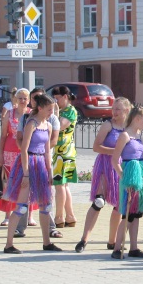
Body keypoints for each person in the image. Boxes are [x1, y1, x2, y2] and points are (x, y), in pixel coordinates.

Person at [3, 94, 61, 254]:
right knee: (21, 207)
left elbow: (47, 151)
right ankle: (8, 244)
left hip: (41, 164)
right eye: (49, 109)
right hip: (29, 163)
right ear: (40, 108)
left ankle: (47, 242)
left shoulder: (47, 125)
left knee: (46, 205)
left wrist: (50, 172)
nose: (51, 112)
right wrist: (26, 174)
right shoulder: (31, 123)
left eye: (52, 109)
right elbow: (23, 149)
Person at [75, 97, 132, 253]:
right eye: (113, 108)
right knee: (98, 201)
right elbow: (96, 147)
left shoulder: (129, 128)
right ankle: (84, 239)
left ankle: (112, 241)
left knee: (119, 205)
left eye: (118, 109)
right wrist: (115, 151)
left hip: (121, 166)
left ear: (126, 110)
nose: (114, 112)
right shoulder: (108, 125)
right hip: (105, 165)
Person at [15, 88, 61, 240]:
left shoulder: (51, 121)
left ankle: (50, 229)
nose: (51, 112)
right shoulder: (28, 120)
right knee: (24, 196)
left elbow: (52, 142)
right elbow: (21, 141)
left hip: (42, 161)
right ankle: (19, 228)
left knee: (46, 197)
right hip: (30, 161)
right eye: (34, 98)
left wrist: (48, 169)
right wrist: (28, 161)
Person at [111, 106, 143, 259]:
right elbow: (115, 160)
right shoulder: (125, 136)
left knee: (136, 213)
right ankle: (117, 248)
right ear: (137, 119)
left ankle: (134, 248)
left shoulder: (139, 136)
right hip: (130, 175)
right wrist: (124, 178)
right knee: (128, 214)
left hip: (141, 175)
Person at [0, 88, 32, 226]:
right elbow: (3, 135)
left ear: (29, 100)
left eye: (25, 98)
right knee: (9, 183)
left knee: (27, 182)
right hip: (10, 151)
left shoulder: (32, 114)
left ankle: (28, 216)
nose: (22, 101)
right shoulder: (9, 114)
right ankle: (8, 215)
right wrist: (0, 155)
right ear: (16, 99)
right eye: (20, 98)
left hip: (26, 152)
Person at [51, 86, 78, 228]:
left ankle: (59, 217)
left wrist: (55, 113)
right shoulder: (63, 111)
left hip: (64, 152)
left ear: (65, 97)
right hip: (61, 151)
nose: (56, 101)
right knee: (64, 185)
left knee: (59, 184)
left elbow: (60, 126)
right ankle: (70, 216)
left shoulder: (69, 111)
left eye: (57, 98)